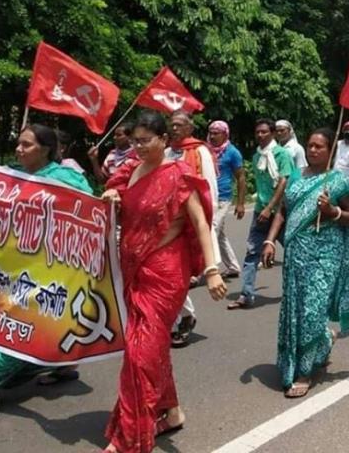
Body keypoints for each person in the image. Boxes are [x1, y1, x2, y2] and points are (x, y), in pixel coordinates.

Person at [101, 111, 227, 452]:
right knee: (151, 348)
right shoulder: (129, 171)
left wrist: (213, 269)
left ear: (163, 140)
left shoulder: (179, 174)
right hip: (133, 272)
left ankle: (130, 436)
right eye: (135, 141)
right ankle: (171, 413)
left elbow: (201, 223)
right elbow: (112, 193)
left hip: (165, 275)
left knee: (139, 354)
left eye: (146, 141)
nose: (139, 147)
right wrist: (113, 196)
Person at [0, 124, 93, 419]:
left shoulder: (66, 178)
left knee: (17, 326)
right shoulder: (10, 176)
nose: (19, 149)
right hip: (16, 267)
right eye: (18, 143)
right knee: (29, 323)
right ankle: (63, 366)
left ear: (46, 149)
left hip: (53, 271)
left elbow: (89, 213)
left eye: (26, 145)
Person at [261, 128, 349, 398]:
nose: (313, 150)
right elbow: (282, 213)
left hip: (326, 255)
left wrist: (333, 212)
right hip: (297, 254)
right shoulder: (296, 178)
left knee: (312, 309)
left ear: (330, 150)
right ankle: (323, 339)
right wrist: (271, 241)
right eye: (310, 145)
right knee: (296, 309)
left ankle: (305, 371)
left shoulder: (338, 182)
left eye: (320, 146)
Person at [229, 119, 296, 309]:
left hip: (280, 212)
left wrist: (270, 208)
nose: (260, 135)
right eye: (257, 132)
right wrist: (261, 206)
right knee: (252, 251)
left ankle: (297, 290)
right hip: (260, 210)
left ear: (273, 133)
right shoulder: (257, 156)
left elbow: (284, 182)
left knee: (292, 252)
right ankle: (246, 294)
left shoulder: (282, 154)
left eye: (264, 132)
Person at [165, 111, 218, 347]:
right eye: (172, 125)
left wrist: (208, 221)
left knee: (180, 274)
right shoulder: (166, 152)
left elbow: (209, 188)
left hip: (193, 221)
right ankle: (181, 316)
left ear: (189, 128)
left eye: (179, 125)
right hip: (169, 223)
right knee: (171, 274)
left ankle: (183, 316)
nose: (175, 129)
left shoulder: (200, 151)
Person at [206, 121, 245, 279]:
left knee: (212, 231)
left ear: (225, 134)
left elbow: (241, 177)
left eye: (216, 133)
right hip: (208, 196)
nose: (213, 136)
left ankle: (208, 268)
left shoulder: (232, 152)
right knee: (220, 234)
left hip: (223, 197)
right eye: (211, 132)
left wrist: (240, 203)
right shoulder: (206, 150)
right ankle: (233, 266)